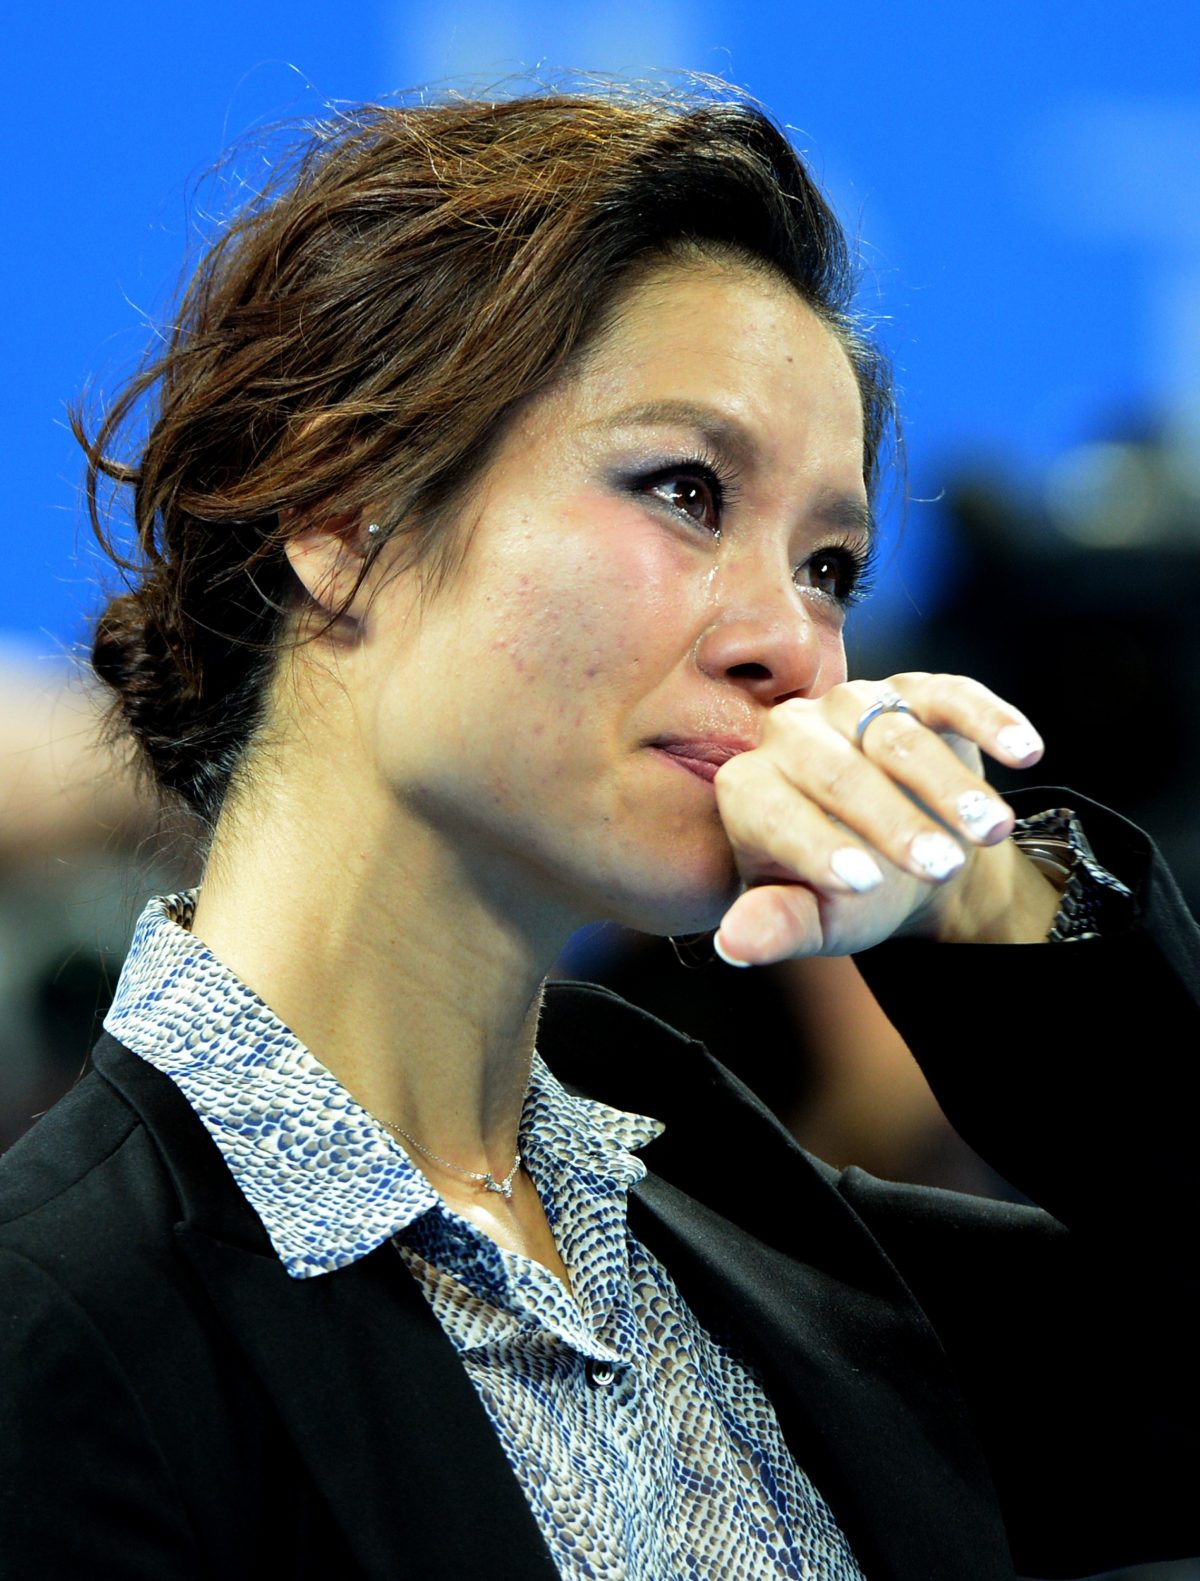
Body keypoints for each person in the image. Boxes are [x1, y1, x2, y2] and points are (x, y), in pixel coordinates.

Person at [1, 85, 1196, 1581]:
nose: (794, 643)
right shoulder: (56, 1322)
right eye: (686, 490)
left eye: (829, 562)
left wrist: (1006, 911)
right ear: (341, 506)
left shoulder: (737, 1215)